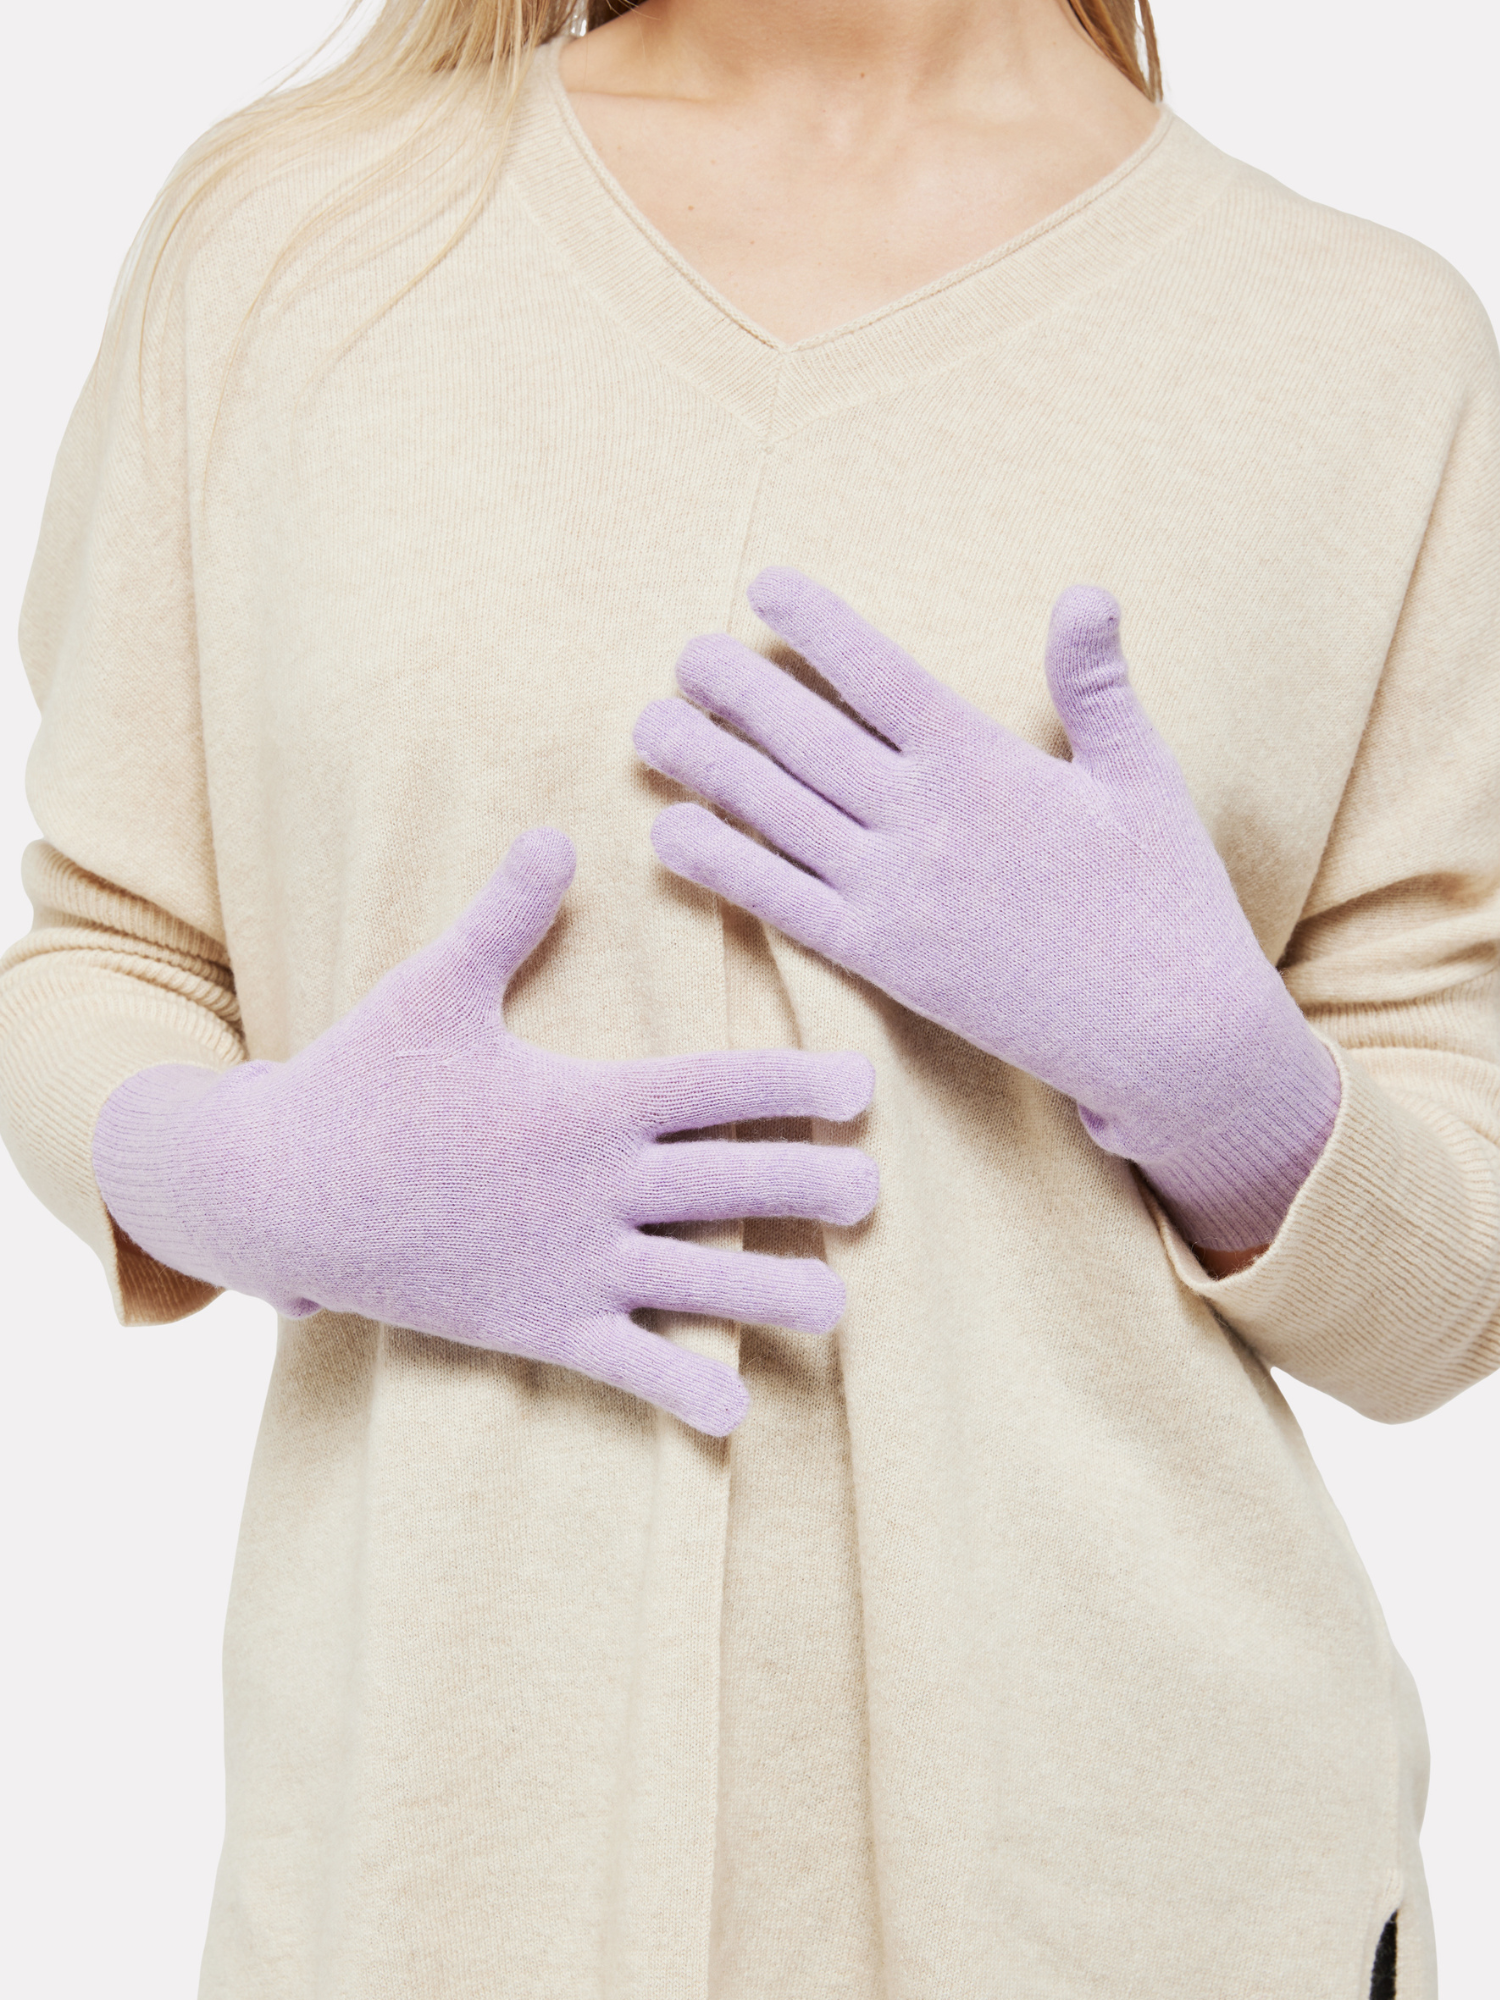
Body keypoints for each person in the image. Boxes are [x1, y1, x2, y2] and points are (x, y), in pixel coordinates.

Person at [1, 0, 1495, 1993]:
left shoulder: (1362, 351)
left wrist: (1226, 1078)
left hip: (1144, 1898)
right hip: (447, 1888)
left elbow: (1446, 1298)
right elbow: (105, 943)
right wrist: (251, 1170)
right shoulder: (291, 247)